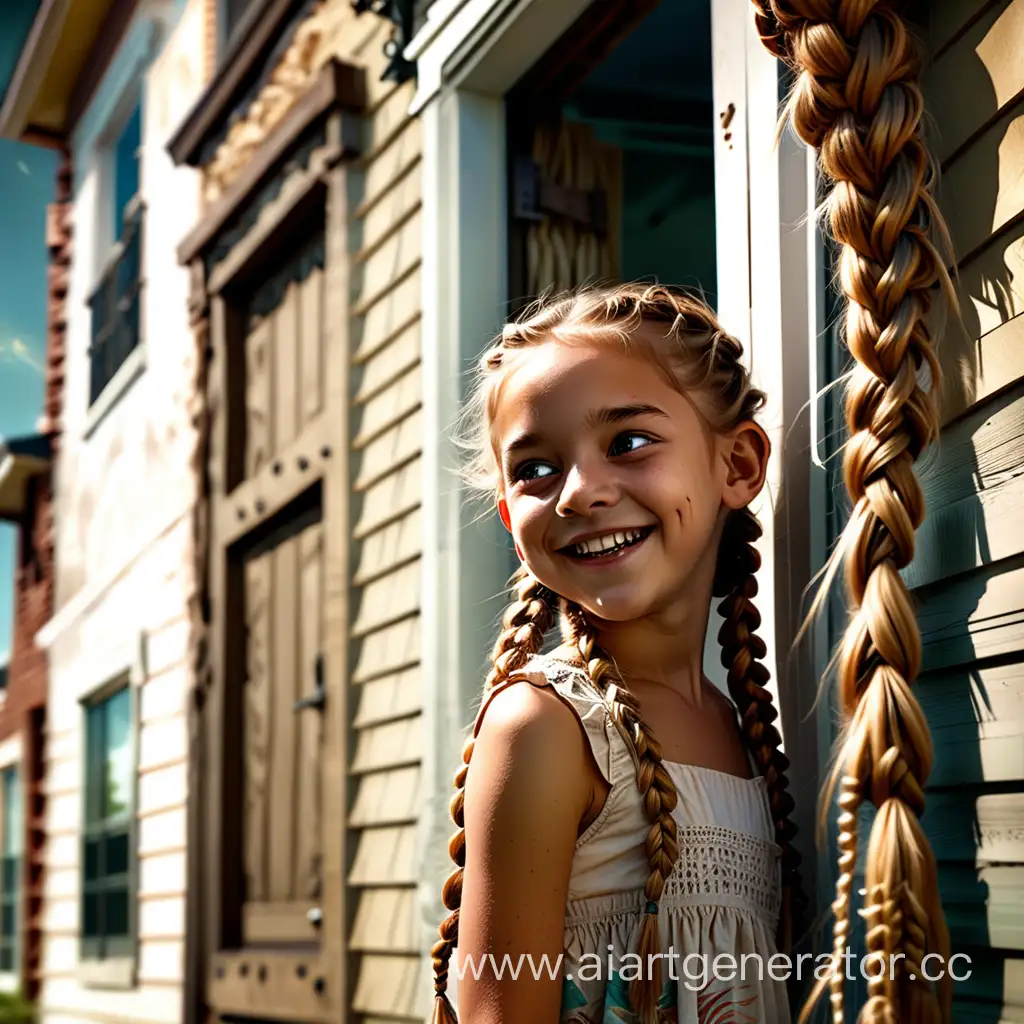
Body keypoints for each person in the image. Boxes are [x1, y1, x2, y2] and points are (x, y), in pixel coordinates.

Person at [429, 283, 801, 1024]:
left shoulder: (745, 730)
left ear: (738, 465)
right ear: (509, 515)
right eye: (535, 467)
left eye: (628, 443)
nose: (579, 493)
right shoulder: (545, 726)